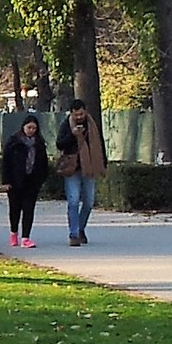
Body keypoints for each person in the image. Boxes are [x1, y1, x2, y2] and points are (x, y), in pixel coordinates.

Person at [54, 96, 108, 244]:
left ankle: (80, 228)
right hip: (72, 169)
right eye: (76, 114)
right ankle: (74, 234)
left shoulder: (92, 125)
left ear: (85, 112)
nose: (79, 117)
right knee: (73, 201)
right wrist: (73, 135)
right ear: (71, 113)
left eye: (81, 114)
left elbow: (100, 144)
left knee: (89, 202)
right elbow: (60, 144)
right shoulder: (66, 125)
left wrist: (103, 163)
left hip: (89, 168)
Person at [1, 113, 48, 247]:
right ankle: (13, 233)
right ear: (23, 127)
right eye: (29, 128)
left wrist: (40, 180)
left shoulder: (39, 143)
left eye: (34, 128)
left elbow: (43, 163)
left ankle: (26, 237)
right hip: (15, 182)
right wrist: (6, 181)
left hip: (32, 182)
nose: (31, 130)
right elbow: (6, 162)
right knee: (15, 209)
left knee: (29, 209)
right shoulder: (13, 142)